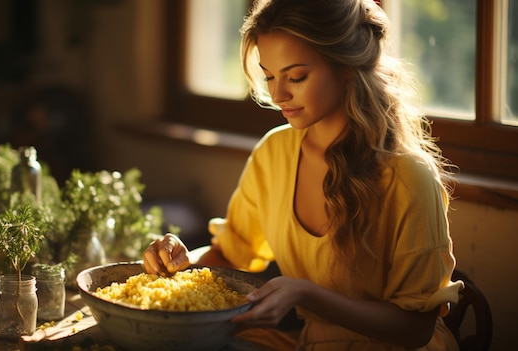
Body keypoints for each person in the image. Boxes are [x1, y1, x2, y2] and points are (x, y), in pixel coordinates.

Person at [143, 0, 463, 350]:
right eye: (269, 76)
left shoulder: (408, 178)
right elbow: (231, 256)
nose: (278, 95)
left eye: (296, 76)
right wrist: (181, 260)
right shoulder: (274, 153)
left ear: (345, 66)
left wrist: (308, 294)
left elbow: (415, 329)